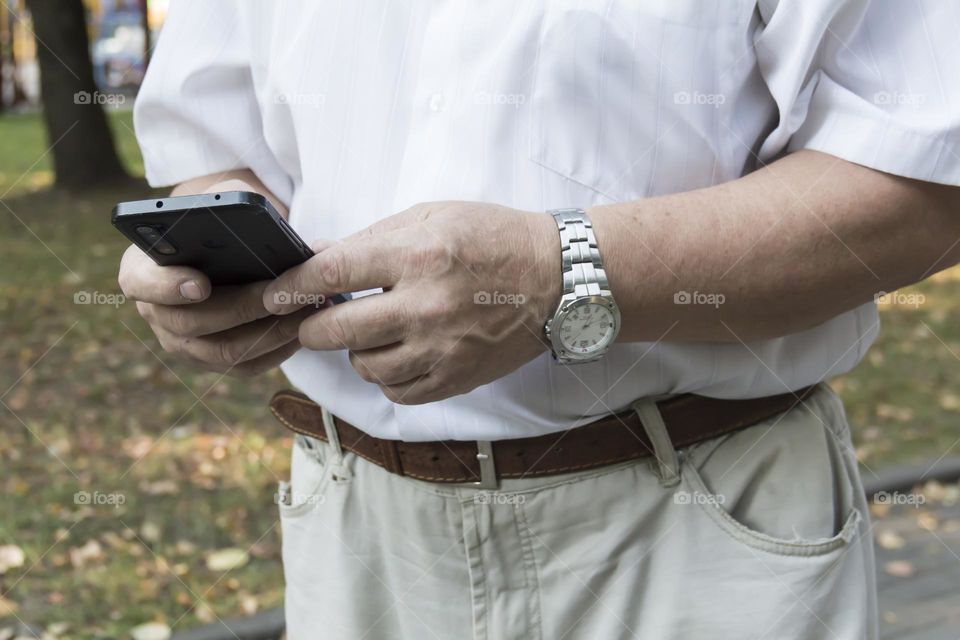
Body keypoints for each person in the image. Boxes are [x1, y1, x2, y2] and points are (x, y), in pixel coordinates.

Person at [119, 1, 960, 638]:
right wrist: (204, 266)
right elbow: (206, 152)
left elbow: (922, 185)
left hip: (694, 533)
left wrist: (554, 274)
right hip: (355, 538)